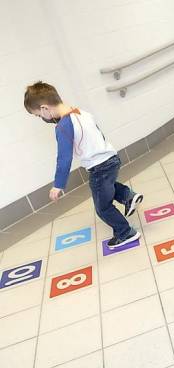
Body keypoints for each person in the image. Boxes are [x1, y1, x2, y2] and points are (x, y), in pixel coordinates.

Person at [24, 81, 143, 249]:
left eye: (38, 115)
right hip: (112, 158)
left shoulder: (63, 127)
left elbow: (64, 158)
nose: (41, 118)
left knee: (103, 207)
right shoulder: (81, 112)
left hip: (99, 166)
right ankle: (128, 196)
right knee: (107, 186)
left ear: (44, 109)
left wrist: (58, 185)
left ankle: (125, 233)